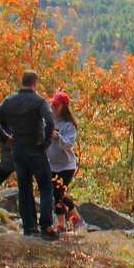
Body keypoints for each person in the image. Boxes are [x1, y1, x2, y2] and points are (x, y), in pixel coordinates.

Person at [0, 71, 58, 240]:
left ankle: (29, 227)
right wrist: (46, 143)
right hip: (36, 148)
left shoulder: (10, 100)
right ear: (35, 83)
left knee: (24, 188)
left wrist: (5, 137)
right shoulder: (39, 101)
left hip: (18, 149)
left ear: (23, 82)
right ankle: (46, 225)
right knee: (46, 188)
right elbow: (50, 122)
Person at [47, 91, 85, 232]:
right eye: (53, 104)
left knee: (59, 194)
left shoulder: (69, 125)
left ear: (64, 106)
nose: (53, 107)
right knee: (57, 195)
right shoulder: (49, 118)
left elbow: (69, 144)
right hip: (52, 164)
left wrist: (57, 136)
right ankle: (65, 224)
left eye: (56, 105)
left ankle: (70, 221)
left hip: (66, 165)